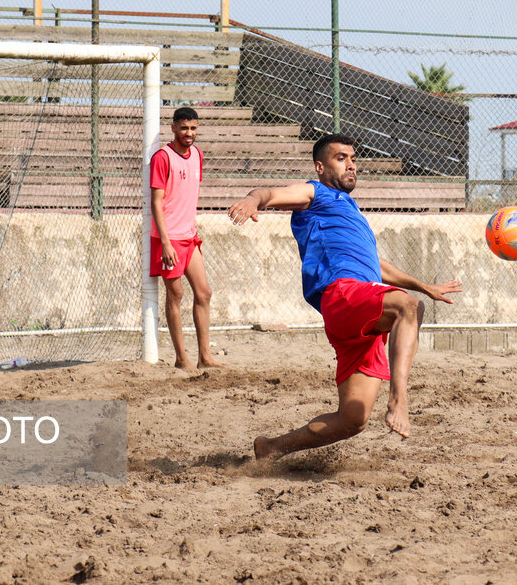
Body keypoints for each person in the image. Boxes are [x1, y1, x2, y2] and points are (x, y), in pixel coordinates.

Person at [228, 134, 462, 460]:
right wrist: (254, 200)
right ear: (320, 166)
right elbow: (271, 193)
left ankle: (271, 448)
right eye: (341, 158)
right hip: (343, 296)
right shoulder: (316, 191)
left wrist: (425, 285)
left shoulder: (352, 212)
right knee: (408, 307)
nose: (351, 164)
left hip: (362, 309)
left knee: (352, 420)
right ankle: (399, 399)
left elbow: (377, 266)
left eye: (353, 158)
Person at [150, 106, 222, 371]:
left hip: (189, 238)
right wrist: (166, 242)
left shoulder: (198, 156)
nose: (189, 133)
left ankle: (205, 357)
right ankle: (181, 358)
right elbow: (157, 203)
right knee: (176, 295)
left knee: (204, 292)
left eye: (193, 128)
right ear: (173, 128)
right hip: (168, 239)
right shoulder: (162, 157)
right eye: (183, 128)